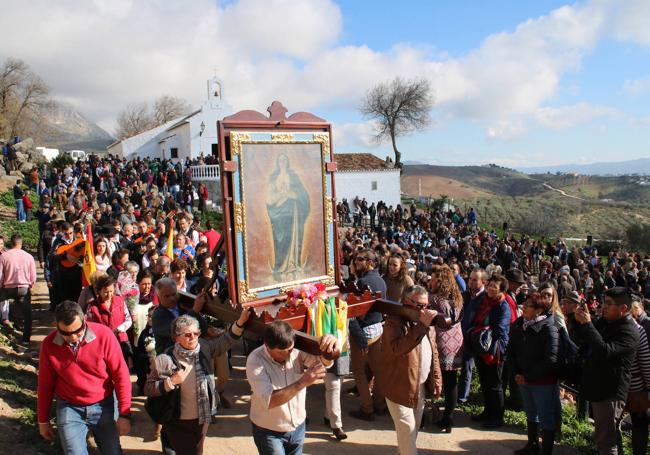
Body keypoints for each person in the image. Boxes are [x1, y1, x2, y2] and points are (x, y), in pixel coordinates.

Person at [145, 304, 250, 455]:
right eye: (187, 335)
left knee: (197, 451)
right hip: (177, 422)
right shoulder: (164, 359)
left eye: (196, 333)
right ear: (176, 337)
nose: (193, 338)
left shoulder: (204, 348)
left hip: (203, 417)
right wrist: (170, 382)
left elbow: (225, 341)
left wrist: (240, 323)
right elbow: (148, 388)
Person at [37, 301, 131, 454]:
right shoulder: (49, 345)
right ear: (57, 327)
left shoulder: (104, 335)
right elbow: (45, 385)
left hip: (104, 405)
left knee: (112, 451)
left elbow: (121, 375)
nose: (73, 337)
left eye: (77, 331)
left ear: (84, 320)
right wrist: (43, 420)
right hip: (69, 407)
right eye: (66, 333)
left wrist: (124, 414)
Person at [246, 320, 339, 455]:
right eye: (280, 352)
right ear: (267, 345)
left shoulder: (295, 350)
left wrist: (330, 348)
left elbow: (322, 364)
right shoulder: (255, 360)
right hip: (269, 431)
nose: (287, 355)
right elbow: (270, 400)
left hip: (298, 427)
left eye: (289, 350)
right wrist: (303, 381)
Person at [376, 285, 442, 455]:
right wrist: (421, 326)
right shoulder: (393, 322)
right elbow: (397, 348)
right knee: (409, 430)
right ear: (407, 301)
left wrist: (436, 379)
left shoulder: (426, 323)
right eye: (420, 305)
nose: (424, 310)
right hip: (398, 386)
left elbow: (433, 351)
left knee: (413, 431)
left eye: (427, 306)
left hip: (418, 387)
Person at [574, 287, 639, 455]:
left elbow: (604, 351)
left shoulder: (629, 330)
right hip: (599, 387)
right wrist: (581, 321)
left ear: (623, 308)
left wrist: (588, 324)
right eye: (604, 302)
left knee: (606, 441)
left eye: (609, 304)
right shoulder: (607, 321)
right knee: (609, 436)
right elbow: (587, 337)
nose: (604, 306)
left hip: (610, 392)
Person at [508, 292, 561, 455]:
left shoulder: (549, 328)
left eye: (529, 305)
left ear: (539, 311)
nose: (523, 307)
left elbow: (551, 359)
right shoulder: (519, 324)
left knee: (546, 417)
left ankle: (546, 451)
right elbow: (511, 350)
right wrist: (516, 373)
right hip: (523, 379)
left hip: (542, 382)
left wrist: (527, 376)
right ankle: (532, 445)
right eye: (524, 303)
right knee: (531, 412)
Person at [348, 249, 388, 420]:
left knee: (359, 371)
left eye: (360, 259)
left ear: (370, 262)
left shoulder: (363, 281)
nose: (356, 262)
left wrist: (359, 337)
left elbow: (355, 313)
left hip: (364, 330)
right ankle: (379, 403)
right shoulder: (381, 281)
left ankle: (367, 408)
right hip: (377, 328)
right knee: (378, 369)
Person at [468, 274, 511, 429]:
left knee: (495, 384)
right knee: (485, 382)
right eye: (490, 285)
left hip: (495, 350)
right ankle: (488, 412)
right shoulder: (485, 301)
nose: (491, 288)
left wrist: (485, 329)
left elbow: (501, 329)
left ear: (501, 290)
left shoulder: (502, 305)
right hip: (482, 347)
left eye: (495, 286)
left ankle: (497, 417)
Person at [428, 264, 464, 433]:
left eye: (434, 278)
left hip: (440, 341)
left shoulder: (434, 299)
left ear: (440, 281)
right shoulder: (457, 297)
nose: (431, 280)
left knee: (436, 377)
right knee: (451, 381)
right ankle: (448, 417)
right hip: (456, 340)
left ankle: (433, 413)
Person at [265, 153, 310, 282]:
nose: (282, 162)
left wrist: (291, 194)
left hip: (292, 212)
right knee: (281, 240)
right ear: (277, 162)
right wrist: (281, 195)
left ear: (288, 161)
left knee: (292, 237)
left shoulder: (293, 177)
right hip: (278, 215)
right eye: (280, 160)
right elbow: (269, 200)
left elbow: (302, 195)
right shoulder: (273, 178)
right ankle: (280, 266)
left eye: (285, 160)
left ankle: (293, 264)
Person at [152, 277, 208, 354]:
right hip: (170, 358)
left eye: (173, 294)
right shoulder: (158, 315)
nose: (171, 298)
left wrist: (195, 312)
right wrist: (194, 311)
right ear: (159, 298)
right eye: (167, 296)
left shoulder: (183, 307)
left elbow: (203, 329)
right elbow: (177, 329)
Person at [85, 274, 133, 363]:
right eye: (106, 292)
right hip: (102, 343)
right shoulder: (92, 307)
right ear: (99, 291)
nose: (109, 294)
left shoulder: (120, 301)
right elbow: (88, 326)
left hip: (121, 340)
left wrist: (119, 329)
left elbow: (128, 320)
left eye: (111, 291)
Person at [0, 234, 37, 345]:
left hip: (8, 288)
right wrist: (30, 285)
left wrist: (2, 285)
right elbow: (33, 277)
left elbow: (0, 275)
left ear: (11, 243)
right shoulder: (29, 257)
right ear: (21, 243)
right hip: (24, 288)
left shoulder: (4, 256)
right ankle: (26, 339)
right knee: (27, 315)